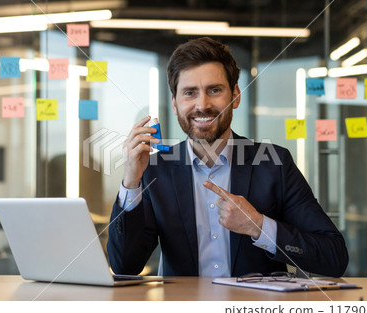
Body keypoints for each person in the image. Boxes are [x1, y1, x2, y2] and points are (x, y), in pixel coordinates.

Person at [107, 37, 348, 277]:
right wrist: (131, 181)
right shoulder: (155, 169)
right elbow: (124, 266)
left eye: (214, 90)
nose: (202, 104)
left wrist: (259, 227)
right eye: (190, 93)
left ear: (235, 95)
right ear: (174, 103)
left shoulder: (274, 163)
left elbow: (334, 257)